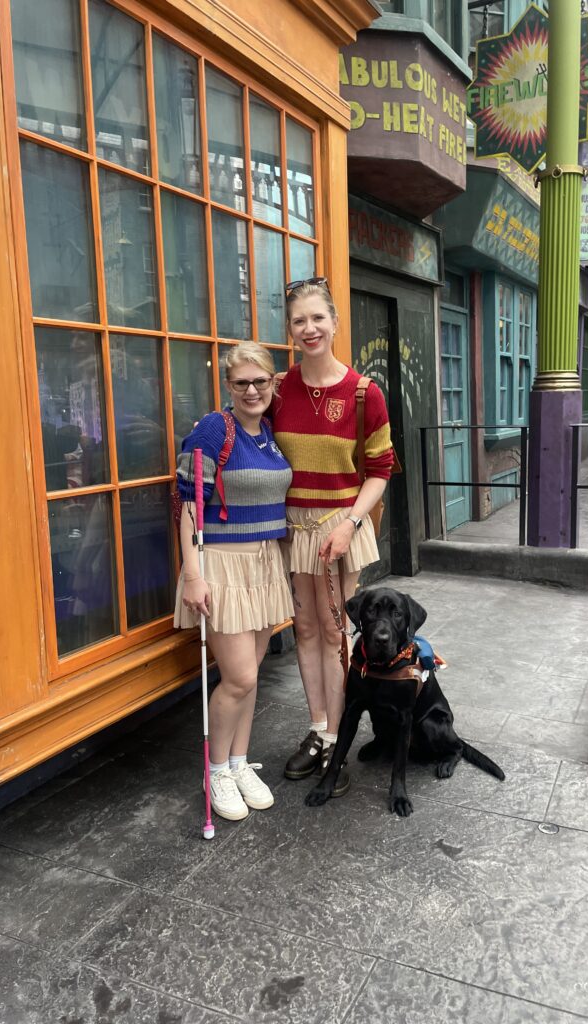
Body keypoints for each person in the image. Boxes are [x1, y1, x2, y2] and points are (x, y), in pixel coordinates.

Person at [274, 278, 394, 795]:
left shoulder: (364, 393)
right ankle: (319, 730)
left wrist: (350, 523)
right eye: (299, 320)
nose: (309, 329)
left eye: (317, 318)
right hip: (293, 528)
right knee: (303, 631)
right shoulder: (278, 389)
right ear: (291, 329)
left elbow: (380, 467)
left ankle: (339, 740)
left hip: (340, 527)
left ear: (335, 323)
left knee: (334, 633)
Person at [175, 342, 294, 822]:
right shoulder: (212, 429)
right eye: (241, 382)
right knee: (240, 675)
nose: (251, 390)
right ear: (228, 385)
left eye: (260, 381)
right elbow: (188, 505)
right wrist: (192, 573)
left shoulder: (268, 432)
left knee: (250, 677)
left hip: (265, 564)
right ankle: (217, 770)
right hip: (221, 565)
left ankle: (241, 763)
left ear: (272, 383)